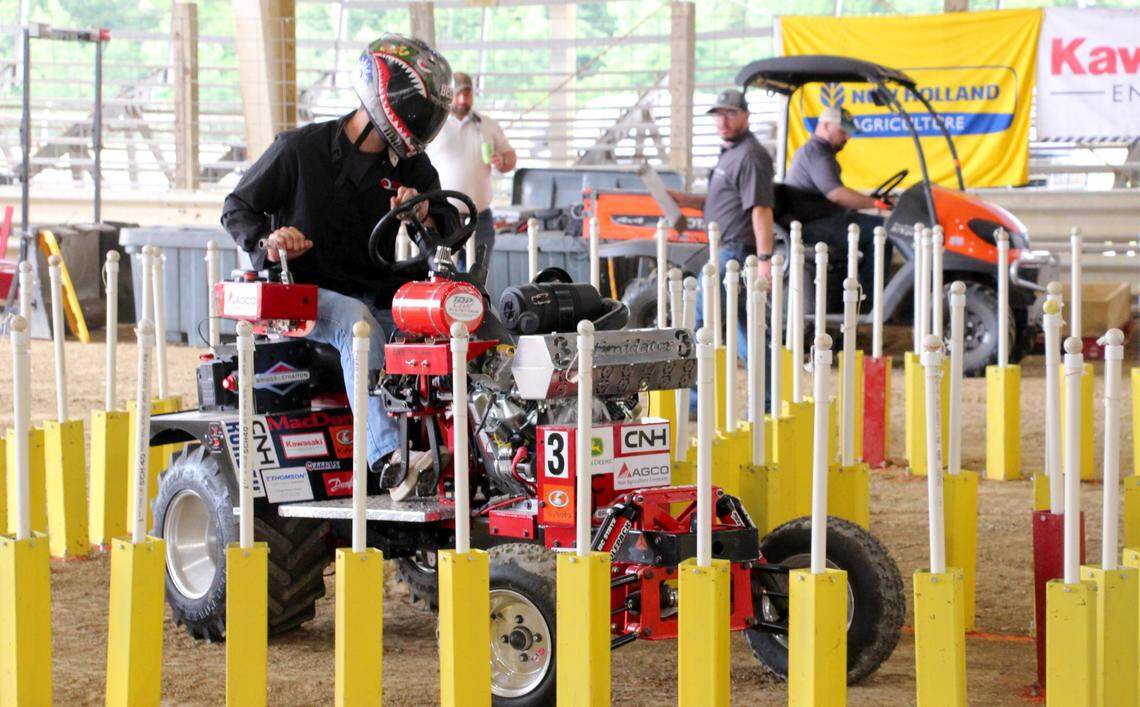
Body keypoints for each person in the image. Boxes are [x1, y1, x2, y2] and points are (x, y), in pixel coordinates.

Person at [221, 34, 456, 490]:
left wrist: (426, 212)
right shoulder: (298, 150)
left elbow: (448, 222)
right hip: (303, 296)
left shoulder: (412, 167)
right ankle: (389, 456)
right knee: (357, 323)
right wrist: (270, 240)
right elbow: (236, 207)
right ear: (385, 97)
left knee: (449, 320)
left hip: (375, 287)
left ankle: (472, 449)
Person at [668, 89, 775, 364]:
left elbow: (761, 209)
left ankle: (691, 402)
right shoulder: (731, 153)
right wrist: (682, 199)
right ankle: (765, 398)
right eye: (718, 114)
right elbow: (719, 203)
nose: (723, 121)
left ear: (746, 116)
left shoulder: (750, 156)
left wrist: (765, 260)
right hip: (726, 250)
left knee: (700, 321)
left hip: (735, 253)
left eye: (730, 114)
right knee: (745, 325)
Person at [785, 105, 890, 288]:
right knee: (882, 231)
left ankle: (861, 289)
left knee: (871, 226)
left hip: (820, 220)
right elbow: (837, 195)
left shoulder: (819, 152)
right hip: (812, 225)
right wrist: (875, 203)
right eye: (843, 132)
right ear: (825, 126)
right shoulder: (817, 153)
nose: (847, 137)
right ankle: (870, 298)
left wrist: (864, 202)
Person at [426, 71, 516, 266]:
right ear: (448, 95)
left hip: (480, 219)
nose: (462, 100)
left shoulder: (487, 125)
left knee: (476, 281)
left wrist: (502, 161)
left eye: (467, 94)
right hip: (442, 216)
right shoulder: (434, 124)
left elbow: (510, 157)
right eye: (458, 94)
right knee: (442, 277)